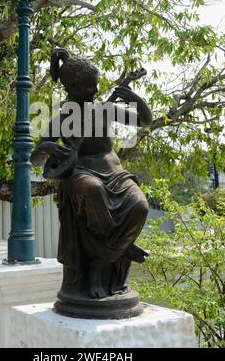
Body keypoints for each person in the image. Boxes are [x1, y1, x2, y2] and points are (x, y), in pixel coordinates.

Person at [32, 48, 152, 299]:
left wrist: (135, 98)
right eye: (89, 86)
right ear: (73, 86)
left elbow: (144, 120)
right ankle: (103, 261)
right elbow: (36, 156)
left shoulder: (104, 108)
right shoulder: (64, 115)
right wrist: (49, 146)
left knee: (140, 205)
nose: (95, 91)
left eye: (96, 86)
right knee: (93, 190)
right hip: (81, 172)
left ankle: (116, 249)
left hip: (114, 172)